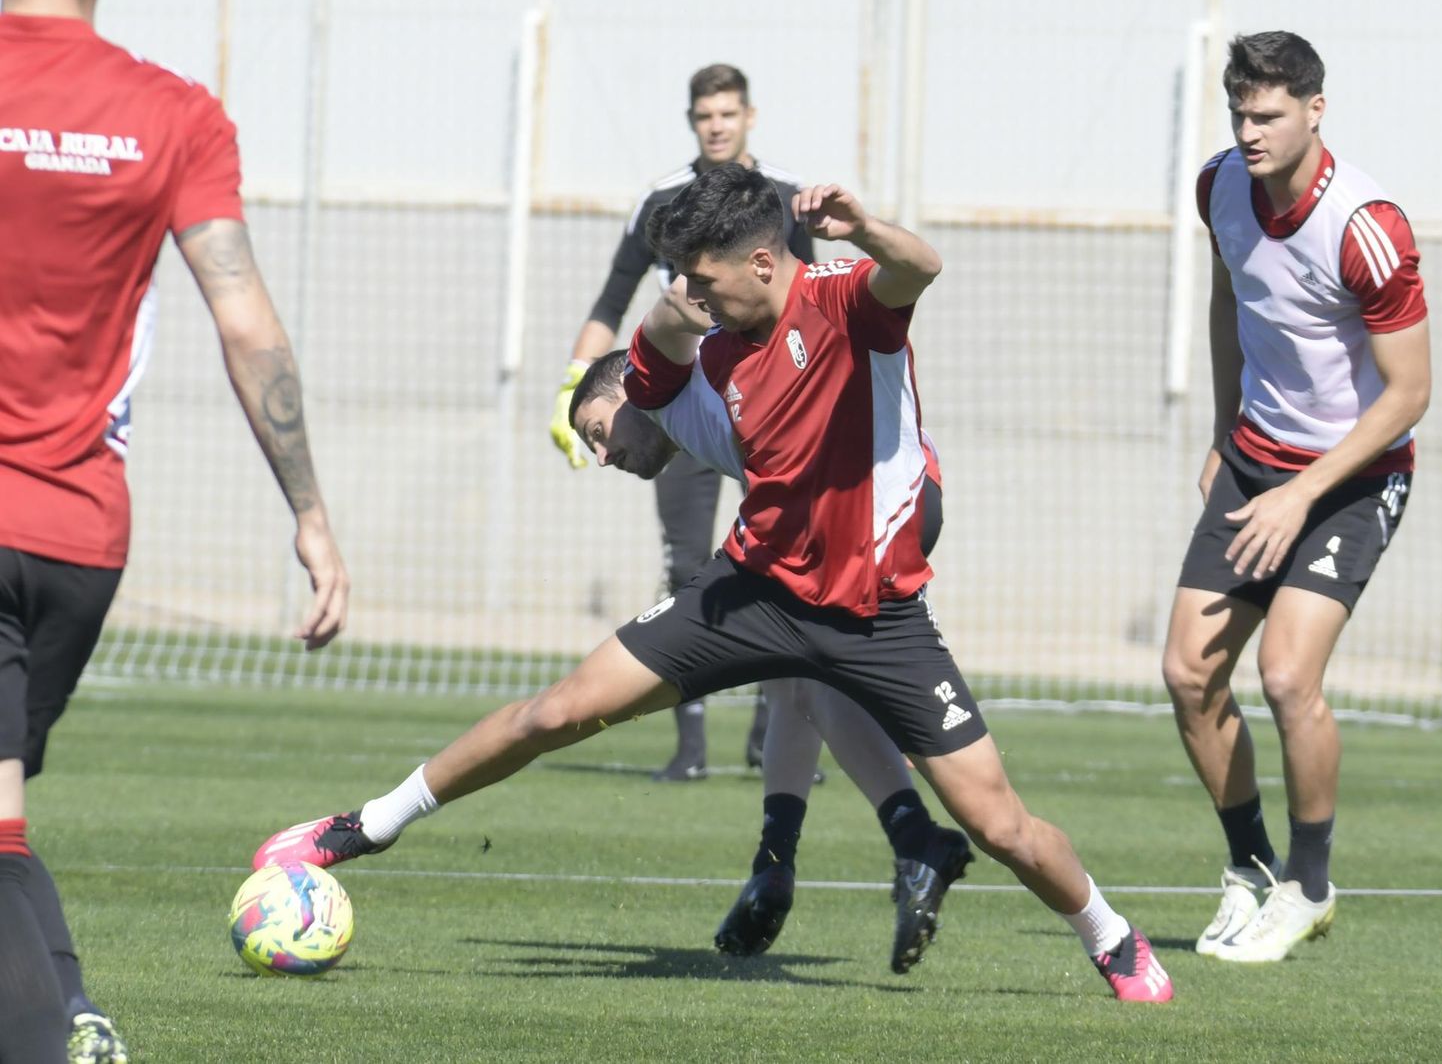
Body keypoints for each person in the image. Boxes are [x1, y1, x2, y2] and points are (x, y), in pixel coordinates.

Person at [255, 165, 1172, 1002]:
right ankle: (362, 826)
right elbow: (650, 348)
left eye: (703, 278)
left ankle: (1112, 937)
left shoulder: (846, 302)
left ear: (766, 263)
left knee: (1001, 825)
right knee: (555, 713)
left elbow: (920, 267)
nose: (689, 294)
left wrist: (865, 226)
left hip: (880, 617)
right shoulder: (696, 346)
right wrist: (665, 315)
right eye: (683, 279)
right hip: (752, 592)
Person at [0, 0, 351, 1061]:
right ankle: (71, 1018)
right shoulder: (174, 113)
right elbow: (245, 319)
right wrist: (311, 515)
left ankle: (44, 1034)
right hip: (78, 537)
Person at [568, 345, 971, 972]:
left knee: (823, 688)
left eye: (600, 432)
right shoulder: (698, 401)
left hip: (878, 513)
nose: (601, 455)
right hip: (848, 516)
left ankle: (918, 843)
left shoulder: (714, 359)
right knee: (796, 683)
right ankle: (779, 867)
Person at [1160, 30, 1431, 963]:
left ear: (1316, 110)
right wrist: (1224, 428)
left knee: (1284, 674)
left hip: (1354, 478)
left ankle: (1312, 887)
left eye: (1268, 114)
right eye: (1239, 113)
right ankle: (1252, 872)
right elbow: (1230, 300)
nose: (1250, 131)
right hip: (1255, 464)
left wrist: (1300, 491)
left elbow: (1410, 391)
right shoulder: (1218, 185)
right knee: (1189, 674)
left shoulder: (1368, 226)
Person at [548, 63, 814, 781]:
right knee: (688, 566)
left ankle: (770, 735)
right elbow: (611, 302)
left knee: (781, 566)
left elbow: (808, 306)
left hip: (763, 414)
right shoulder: (661, 199)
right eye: (705, 116)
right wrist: (577, 386)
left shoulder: (787, 196)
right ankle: (690, 747)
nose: (717, 125)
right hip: (675, 411)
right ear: (692, 121)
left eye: (729, 113)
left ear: (749, 116)